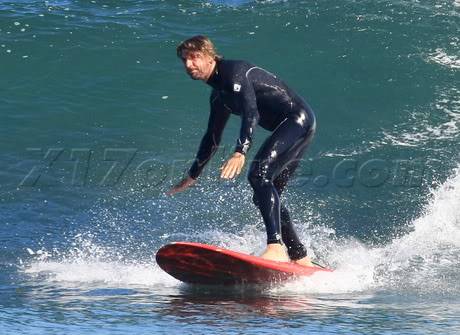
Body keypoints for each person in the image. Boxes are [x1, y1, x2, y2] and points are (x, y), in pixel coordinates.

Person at [167, 35, 317, 267]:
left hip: (297, 120)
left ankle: (275, 247)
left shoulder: (234, 73)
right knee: (264, 194)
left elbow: (251, 112)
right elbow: (212, 137)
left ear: (210, 57)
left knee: (258, 175)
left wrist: (240, 151)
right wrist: (193, 175)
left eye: (195, 57)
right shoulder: (219, 96)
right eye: (185, 60)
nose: (189, 64)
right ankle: (300, 257)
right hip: (292, 125)